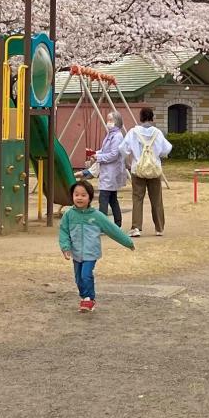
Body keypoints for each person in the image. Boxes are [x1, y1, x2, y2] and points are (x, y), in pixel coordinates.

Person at [59, 176, 134, 312]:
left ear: (90, 197)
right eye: (76, 195)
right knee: (78, 278)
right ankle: (84, 297)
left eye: (83, 195)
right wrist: (65, 247)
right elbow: (64, 231)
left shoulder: (96, 215)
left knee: (86, 275)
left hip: (91, 252)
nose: (79, 198)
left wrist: (127, 242)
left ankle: (89, 299)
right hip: (76, 253)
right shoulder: (69, 215)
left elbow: (112, 229)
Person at [123, 106, 172, 236]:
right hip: (154, 169)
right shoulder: (157, 132)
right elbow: (167, 149)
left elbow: (123, 149)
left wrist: (130, 159)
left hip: (137, 168)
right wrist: (156, 154)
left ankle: (136, 228)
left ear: (140, 117)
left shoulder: (133, 132)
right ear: (152, 117)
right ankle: (159, 228)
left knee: (137, 198)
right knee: (156, 199)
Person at [86, 116, 128, 224]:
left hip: (111, 171)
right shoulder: (111, 135)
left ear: (116, 122)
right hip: (108, 171)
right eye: (108, 120)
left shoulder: (117, 136)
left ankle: (102, 224)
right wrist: (96, 153)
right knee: (112, 199)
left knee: (103, 199)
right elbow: (105, 150)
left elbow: (114, 154)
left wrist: (99, 157)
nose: (108, 122)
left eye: (110, 120)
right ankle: (117, 223)